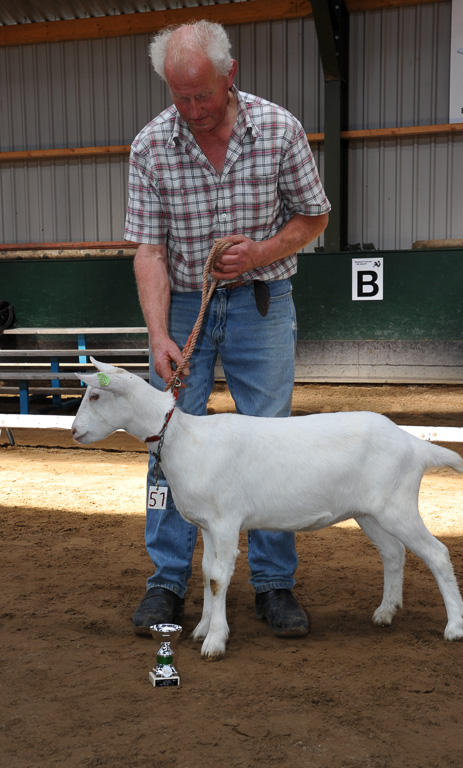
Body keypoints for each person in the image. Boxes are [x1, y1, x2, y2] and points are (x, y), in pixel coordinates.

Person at [124, 20, 330, 639]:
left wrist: (262, 252)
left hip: (261, 303)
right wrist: (159, 334)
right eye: (179, 96)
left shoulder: (279, 129)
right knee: (166, 442)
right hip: (183, 307)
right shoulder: (151, 145)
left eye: (202, 96)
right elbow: (149, 251)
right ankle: (167, 581)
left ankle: (273, 584)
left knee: (269, 444)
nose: (191, 110)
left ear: (229, 74)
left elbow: (314, 215)